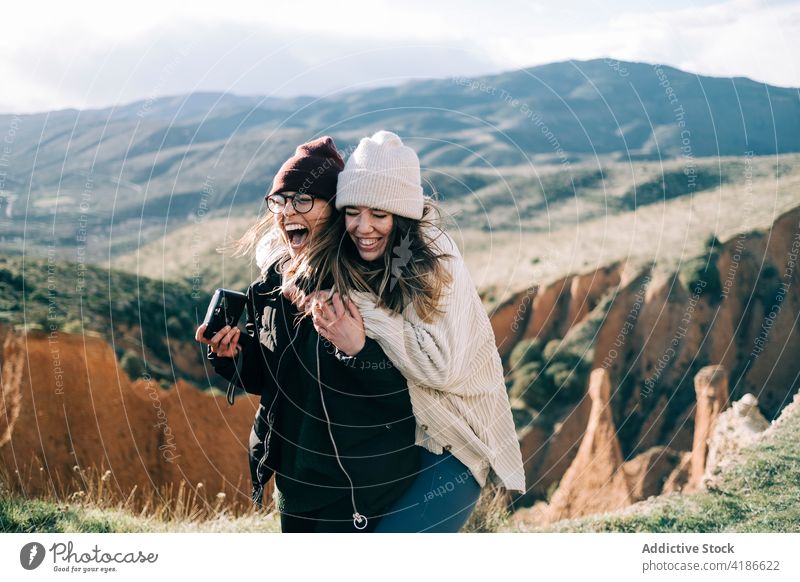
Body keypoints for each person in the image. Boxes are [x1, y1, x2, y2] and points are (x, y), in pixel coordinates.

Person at [294, 130, 525, 532]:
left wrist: (363, 310)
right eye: (352, 212)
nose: (363, 227)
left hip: (451, 447)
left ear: (403, 216)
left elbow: (441, 368)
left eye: (379, 215)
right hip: (396, 445)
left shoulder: (437, 260)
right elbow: (280, 245)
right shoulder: (359, 251)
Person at [195, 136, 419, 532]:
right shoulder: (271, 284)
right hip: (294, 481)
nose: (286, 213)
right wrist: (231, 356)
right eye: (279, 201)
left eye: (302, 201)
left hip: (357, 486)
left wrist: (358, 350)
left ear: (334, 211)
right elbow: (270, 381)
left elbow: (407, 396)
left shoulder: (367, 285)